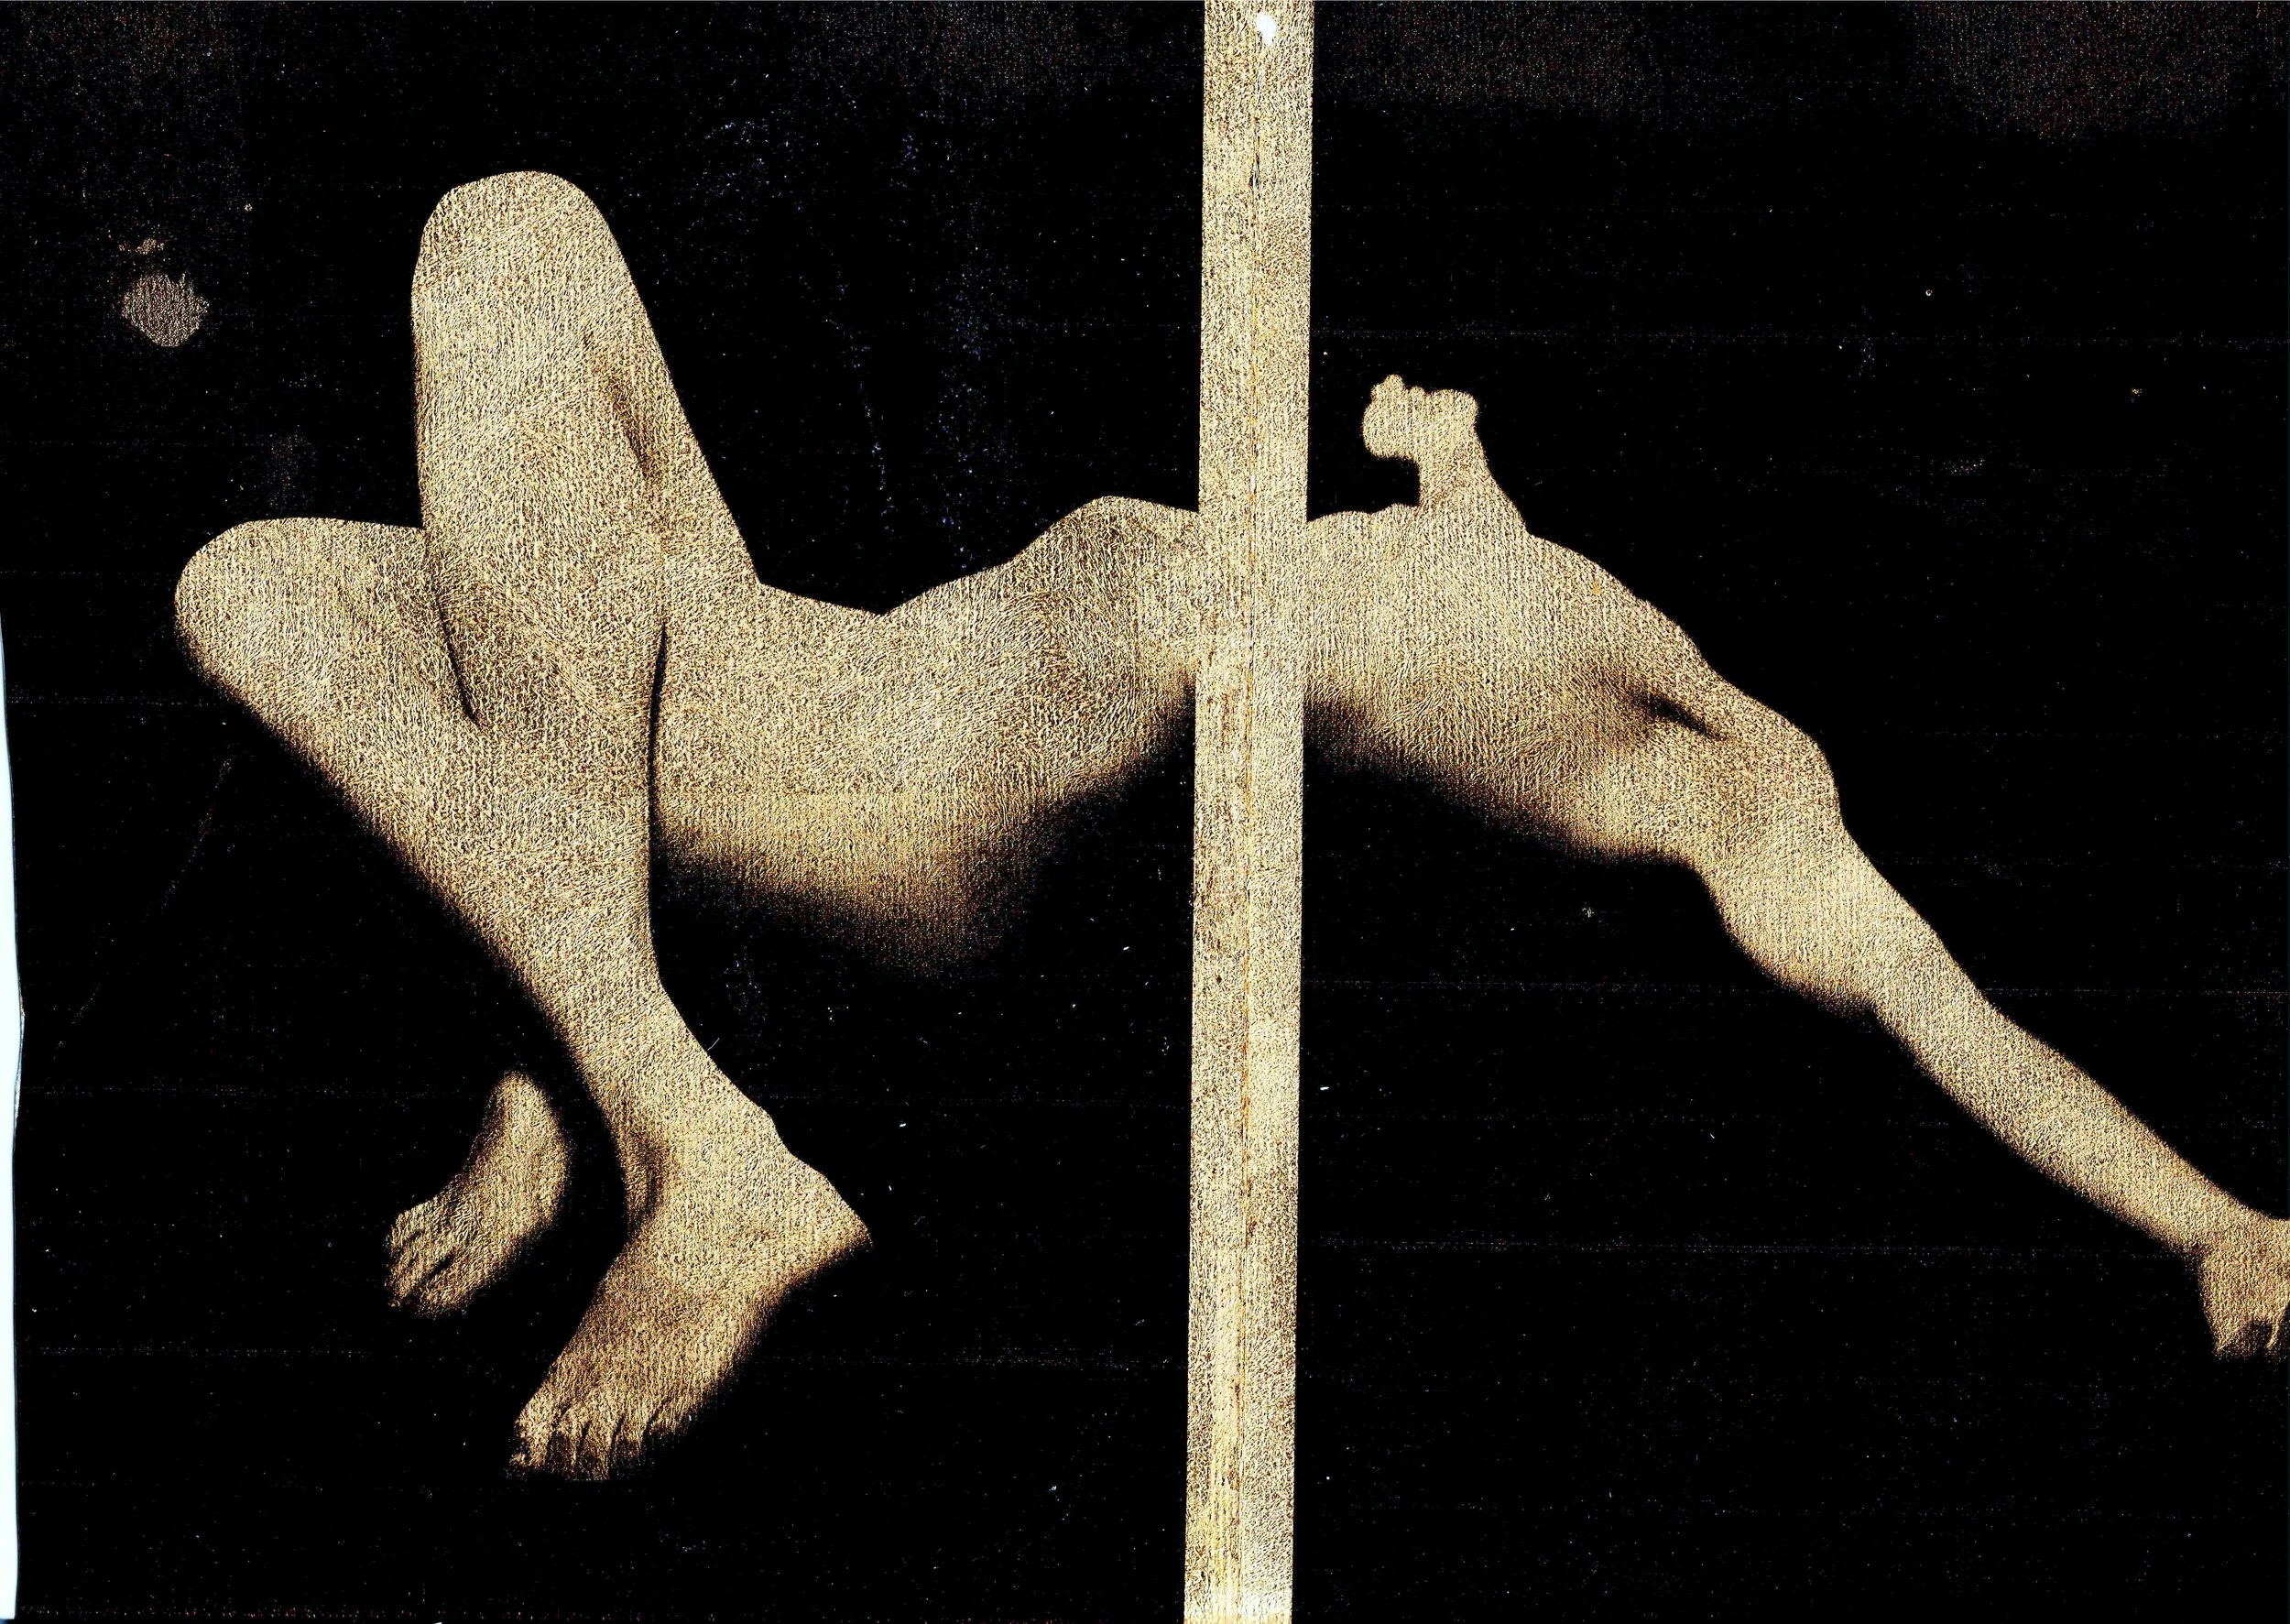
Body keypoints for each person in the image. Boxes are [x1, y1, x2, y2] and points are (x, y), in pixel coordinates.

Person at [172, 171, 2290, 1482]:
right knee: (324, 490)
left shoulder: (1747, 800)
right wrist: (1446, 459)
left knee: (453, 302)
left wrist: (2207, 1219)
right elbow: (1464, 601)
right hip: (843, 668)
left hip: (913, 785)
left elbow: (1945, 1014)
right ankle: (580, 1036)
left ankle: (676, 1128)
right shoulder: (1538, 585)